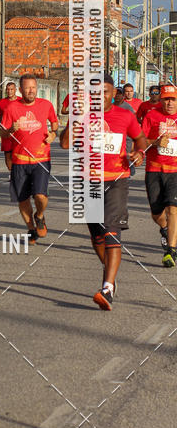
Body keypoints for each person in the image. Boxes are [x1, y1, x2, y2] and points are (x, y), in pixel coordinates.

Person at [60, 73, 146, 310]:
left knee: (111, 231)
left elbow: (141, 140)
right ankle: (110, 273)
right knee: (97, 235)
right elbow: (66, 144)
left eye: (105, 92)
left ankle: (107, 288)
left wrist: (139, 153)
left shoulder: (125, 115)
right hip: (88, 180)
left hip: (116, 180)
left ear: (113, 94)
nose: (100, 96)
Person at [0, 73, 58, 243]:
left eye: (33, 87)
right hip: (19, 161)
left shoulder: (46, 105)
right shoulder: (11, 108)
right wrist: (10, 129)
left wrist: (53, 134)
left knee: (40, 195)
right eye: (27, 88)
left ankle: (39, 215)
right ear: (20, 90)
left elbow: (54, 123)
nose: (31, 91)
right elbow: (2, 132)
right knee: (23, 199)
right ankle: (31, 229)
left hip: (41, 159)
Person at [141, 83, 177, 267]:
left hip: (175, 171)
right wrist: (155, 142)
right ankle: (165, 228)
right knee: (156, 213)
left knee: (173, 208)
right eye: (166, 99)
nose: (169, 103)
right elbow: (141, 141)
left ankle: (171, 251)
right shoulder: (151, 116)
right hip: (154, 169)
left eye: (173, 99)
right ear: (161, 100)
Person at [0, 80, 21, 171]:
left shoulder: (21, 101)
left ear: (15, 90)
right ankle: (12, 173)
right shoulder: (1, 102)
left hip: (18, 131)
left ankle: (19, 172)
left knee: (19, 154)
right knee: (8, 154)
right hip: (6, 132)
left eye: (11, 89)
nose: (9, 91)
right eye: (8, 89)